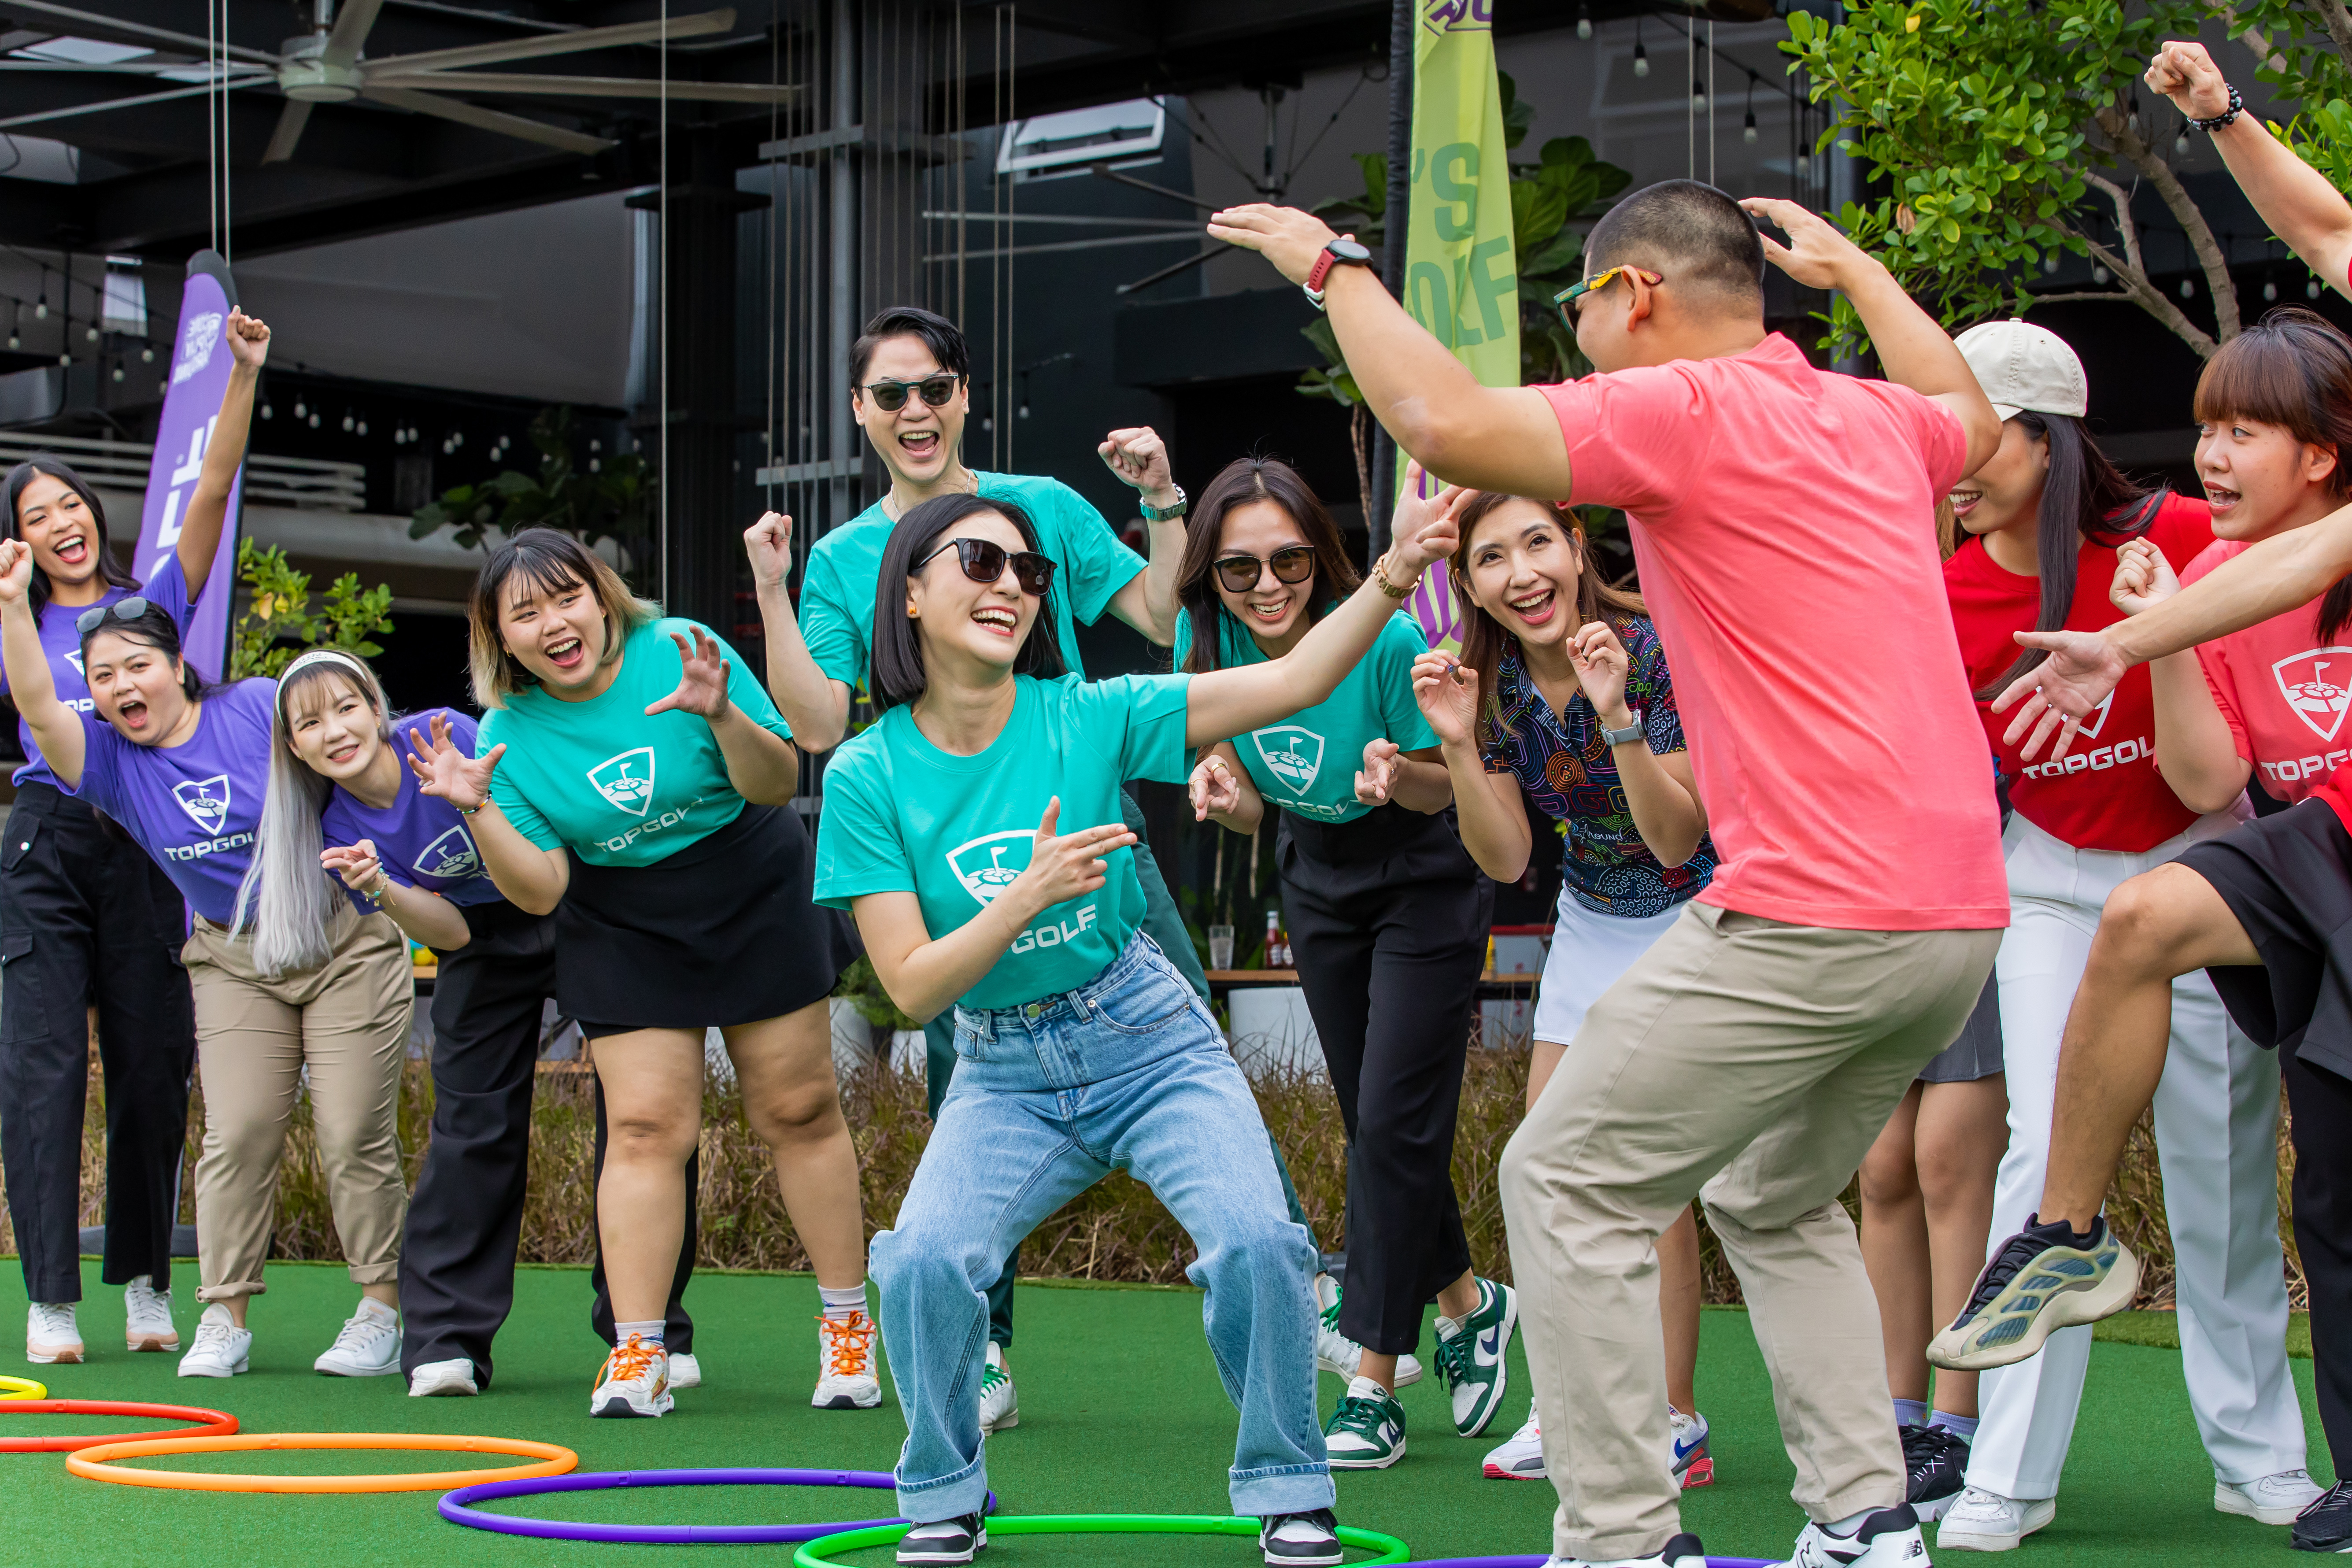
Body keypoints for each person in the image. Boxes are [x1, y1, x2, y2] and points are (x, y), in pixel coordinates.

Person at [1210, 181, 2007, 1568]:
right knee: (1765, 1193)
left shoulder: (1684, 408)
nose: (1575, 339)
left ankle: (1624, 1539)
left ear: (1635, 294)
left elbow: (1446, 425)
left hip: (1812, 908)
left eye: (1579, 306)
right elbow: (1976, 423)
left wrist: (1329, 265)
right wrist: (1863, 271)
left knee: (1563, 1179)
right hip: (1950, 922)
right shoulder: (1867, 416)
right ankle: (1868, 1520)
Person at [812, 484, 1457, 1567]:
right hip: (1004, 1066)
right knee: (923, 1259)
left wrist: (1392, 576)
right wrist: (1021, 897)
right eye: (980, 562)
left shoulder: (1088, 711)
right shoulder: (869, 773)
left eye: (1030, 572)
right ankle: (945, 1491)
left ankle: (1291, 1485)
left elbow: (1293, 678)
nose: (1012, 585)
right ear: (911, 592)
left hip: (1147, 1037)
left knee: (1260, 1243)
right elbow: (914, 989)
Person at [746, 303, 1339, 1429]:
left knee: (1188, 1046)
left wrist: (1165, 496)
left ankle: (1289, 1275)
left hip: (1083, 834)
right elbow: (819, 721)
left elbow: (1164, 611)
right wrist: (774, 591)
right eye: (891, 395)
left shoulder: (1049, 512)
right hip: (936, 856)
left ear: (966, 393)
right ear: (861, 413)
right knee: (967, 1096)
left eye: (935, 389)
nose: (916, 411)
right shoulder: (841, 559)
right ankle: (988, 1348)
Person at [1935, 310, 2352, 1550]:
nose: (1946, 462)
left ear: (2045, 438)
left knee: (2222, 1170)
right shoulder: (1942, 583)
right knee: (2037, 1154)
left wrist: (2148, 630)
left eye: (1968, 432)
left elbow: (2205, 775)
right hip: (2061, 882)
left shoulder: (2183, 539)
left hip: (2219, 865)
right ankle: (2006, 1472)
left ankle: (2257, 1458)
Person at [406, 528, 866, 1419]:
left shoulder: (680, 649)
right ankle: (639, 1349)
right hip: (621, 917)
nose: (554, 623)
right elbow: (539, 890)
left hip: (748, 883)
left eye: (567, 597)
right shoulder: (508, 732)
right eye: (525, 613)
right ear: (500, 639)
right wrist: (478, 811)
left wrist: (723, 712)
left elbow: (775, 783)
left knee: (798, 1108)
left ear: (604, 595)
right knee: (649, 1127)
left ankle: (847, 1326)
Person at [234, 647, 698, 1399]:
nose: (336, 730)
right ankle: (447, 1340)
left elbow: (551, 814)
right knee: (471, 1127)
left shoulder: (447, 733)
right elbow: (448, 936)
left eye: (347, 707)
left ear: (377, 706)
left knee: (645, 1114)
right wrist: (380, 887)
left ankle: (648, 1332)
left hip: (582, 905)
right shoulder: (333, 825)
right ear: (295, 747)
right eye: (311, 723)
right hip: (482, 937)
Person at [0, 542, 412, 1379]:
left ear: (177, 663)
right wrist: (12, 604)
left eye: (137, 666)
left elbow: (351, 752)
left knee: (348, 1132)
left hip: (341, 938)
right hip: (232, 957)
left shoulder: (259, 706)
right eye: (103, 675)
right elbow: (41, 710)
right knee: (238, 1133)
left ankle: (381, 1309)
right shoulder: (110, 765)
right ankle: (224, 1318)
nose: (121, 687)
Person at [1178, 455, 1498, 1472]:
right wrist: (1239, 805)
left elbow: (1445, 791)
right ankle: (1468, 1301)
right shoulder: (1213, 643)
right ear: (1211, 580)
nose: (1268, 585)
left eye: (1290, 560)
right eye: (1240, 570)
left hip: (1423, 877)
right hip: (1316, 882)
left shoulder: (1385, 637)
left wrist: (1395, 775)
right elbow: (1278, 791)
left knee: (1395, 1122)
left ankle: (1372, 1381)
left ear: (1324, 555)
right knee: (1376, 1119)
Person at [1399, 488, 1720, 1491]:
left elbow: (1677, 836)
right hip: (1591, 918)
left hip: (1702, 913)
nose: (1521, 572)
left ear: (1578, 549)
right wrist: (1453, 742)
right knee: (1545, 1167)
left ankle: (1673, 1419)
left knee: (1647, 1177)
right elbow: (1505, 860)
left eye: (1538, 542)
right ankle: (1568, 1405)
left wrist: (1618, 711)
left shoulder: (1657, 651)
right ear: (1474, 588)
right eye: (1492, 558)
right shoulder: (1490, 694)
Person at [0, 311, 263, 1365]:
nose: (61, 521)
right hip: (48, 845)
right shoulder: (11, 611)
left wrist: (241, 374)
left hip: (151, 842)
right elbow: (30, 694)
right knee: (46, 1068)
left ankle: (150, 1284)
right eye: (36, 513)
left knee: (154, 1068)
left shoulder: (144, 605)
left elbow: (208, 494)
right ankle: (51, 1300)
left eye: (69, 502)